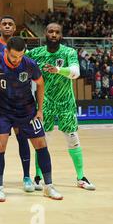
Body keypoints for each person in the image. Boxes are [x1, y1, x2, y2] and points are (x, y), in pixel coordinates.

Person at [0, 37, 63, 201]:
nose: (17, 60)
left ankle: (48, 186)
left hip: (27, 111)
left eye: (20, 56)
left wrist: (40, 110)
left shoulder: (29, 64)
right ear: (6, 52)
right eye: (14, 57)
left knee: (41, 144)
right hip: (2, 111)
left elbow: (40, 84)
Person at [26, 23, 95, 190]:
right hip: (45, 104)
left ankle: (81, 177)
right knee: (42, 141)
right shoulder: (36, 53)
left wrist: (58, 70)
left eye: (57, 32)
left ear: (61, 35)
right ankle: (38, 177)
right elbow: (18, 57)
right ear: (45, 34)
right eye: (51, 31)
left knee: (73, 139)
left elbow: (75, 72)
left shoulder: (68, 52)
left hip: (66, 103)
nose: (54, 34)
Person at [0, 16, 34, 192]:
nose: (7, 26)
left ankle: (27, 177)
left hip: (21, 102)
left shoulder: (23, 47)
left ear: (15, 28)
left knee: (23, 138)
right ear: (0, 27)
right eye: (4, 24)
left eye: (10, 24)